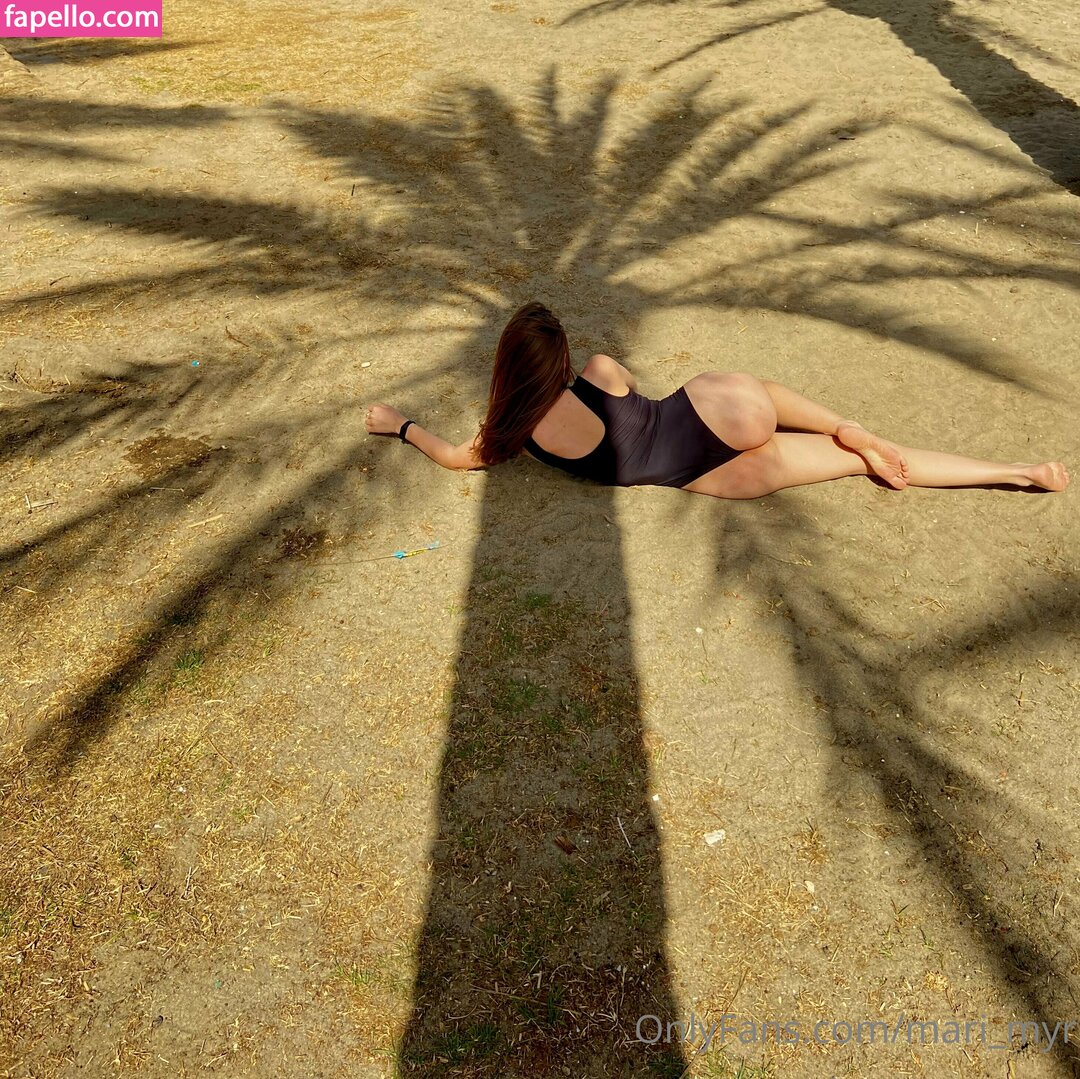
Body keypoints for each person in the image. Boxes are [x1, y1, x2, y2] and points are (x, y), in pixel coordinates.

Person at [363, 302, 1070, 498]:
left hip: (709, 471)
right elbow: (625, 385)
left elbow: (455, 457)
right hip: (717, 407)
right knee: (771, 403)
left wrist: (402, 426)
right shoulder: (600, 372)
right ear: (563, 361)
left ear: (508, 370)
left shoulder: (515, 433)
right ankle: (1015, 468)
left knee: (855, 464)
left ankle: (1016, 476)